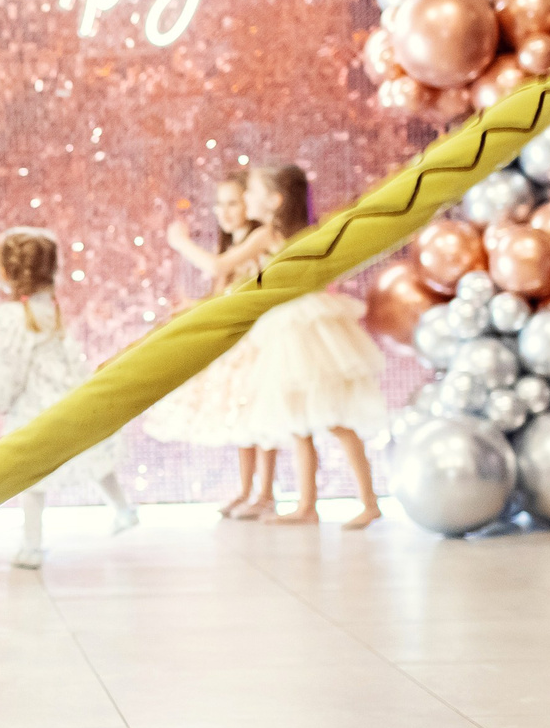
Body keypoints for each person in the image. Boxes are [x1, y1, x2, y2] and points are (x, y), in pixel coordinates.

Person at [150, 167, 383, 528]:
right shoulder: (293, 232)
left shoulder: (269, 233)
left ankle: (364, 502)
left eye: (251, 194)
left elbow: (216, 265)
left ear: (274, 201)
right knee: (302, 422)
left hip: (298, 328)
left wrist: (180, 242)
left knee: (330, 418)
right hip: (291, 326)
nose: (246, 201)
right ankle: (310, 504)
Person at [0, 224, 138, 567]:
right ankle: (123, 509)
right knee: (92, 456)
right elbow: (0, 271)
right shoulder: (43, 302)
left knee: (30, 472)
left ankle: (32, 545)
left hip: (33, 405)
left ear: (8, 273)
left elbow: (10, 364)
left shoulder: (15, 314)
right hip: (66, 394)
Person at [148, 170, 284, 516]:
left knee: (259, 413)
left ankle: (265, 493)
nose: (224, 212)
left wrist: (181, 242)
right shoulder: (233, 244)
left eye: (233, 203)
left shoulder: (261, 236)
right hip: (240, 338)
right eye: (219, 204)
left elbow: (216, 268)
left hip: (262, 336)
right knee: (241, 412)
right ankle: (246, 489)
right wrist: (191, 307)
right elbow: (221, 293)